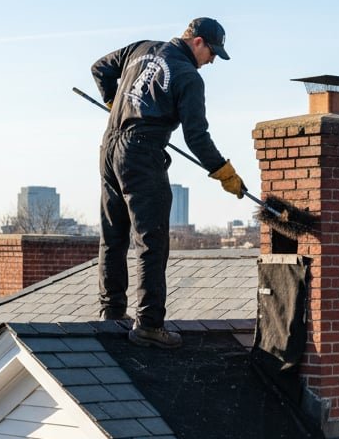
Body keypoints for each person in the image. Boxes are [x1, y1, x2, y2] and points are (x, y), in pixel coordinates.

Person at [91, 17, 246, 349]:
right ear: (198, 42)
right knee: (152, 241)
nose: (212, 61)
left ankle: (111, 312)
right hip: (142, 153)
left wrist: (113, 104)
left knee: (113, 235)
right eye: (213, 53)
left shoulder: (141, 48)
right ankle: (148, 325)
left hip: (110, 148)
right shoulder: (188, 76)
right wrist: (223, 172)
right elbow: (196, 136)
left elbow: (99, 68)